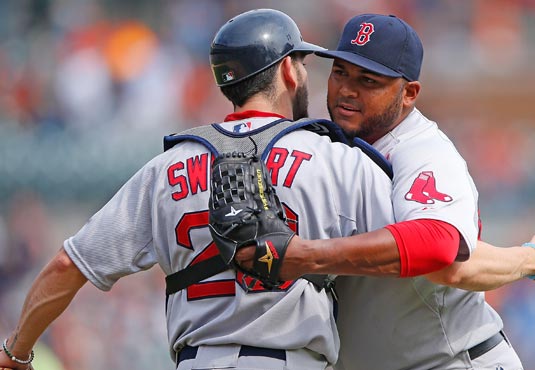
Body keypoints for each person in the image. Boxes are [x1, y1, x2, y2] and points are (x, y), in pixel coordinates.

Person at [0, 9, 398, 370]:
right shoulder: (337, 159)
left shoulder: (165, 167)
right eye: (302, 63)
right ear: (288, 72)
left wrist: (18, 349)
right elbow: (422, 249)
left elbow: (70, 265)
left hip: (197, 359)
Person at [234, 13, 535, 370]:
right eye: (340, 72)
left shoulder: (424, 152)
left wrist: (533, 259)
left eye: (368, 80)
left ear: (408, 93)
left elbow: (442, 253)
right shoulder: (328, 145)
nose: (347, 89)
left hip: (452, 360)